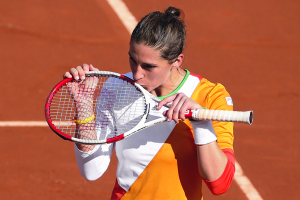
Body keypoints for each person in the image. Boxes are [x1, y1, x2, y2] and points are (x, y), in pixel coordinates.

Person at [64, 7, 235, 200]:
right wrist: (84, 105)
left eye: (149, 67)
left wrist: (201, 122)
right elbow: (92, 170)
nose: (137, 74)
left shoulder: (210, 96)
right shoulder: (116, 88)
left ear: (177, 61)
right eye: (133, 60)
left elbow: (219, 183)